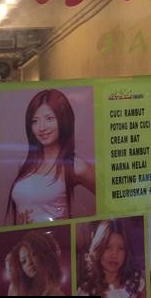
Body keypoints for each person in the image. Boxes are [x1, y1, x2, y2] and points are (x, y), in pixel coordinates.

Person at [6, 88, 95, 224]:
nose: (41, 127)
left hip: (57, 237)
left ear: (63, 120)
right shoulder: (25, 162)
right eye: (35, 121)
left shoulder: (75, 166)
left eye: (49, 119)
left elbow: (110, 198)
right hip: (26, 236)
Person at [77, 219, 146, 298]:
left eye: (121, 248)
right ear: (98, 248)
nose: (114, 254)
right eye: (108, 247)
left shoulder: (136, 283)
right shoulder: (85, 291)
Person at [5, 230, 66, 296]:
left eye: (33, 255)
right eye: (23, 261)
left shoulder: (56, 293)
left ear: (43, 255)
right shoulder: (16, 289)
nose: (29, 263)